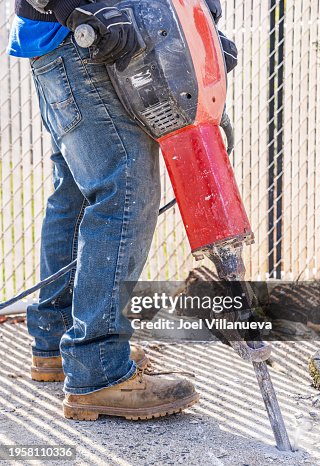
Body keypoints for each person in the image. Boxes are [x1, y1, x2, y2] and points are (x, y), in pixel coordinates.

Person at [6, 0, 237, 421]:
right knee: (124, 190)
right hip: (85, 37)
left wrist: (202, 30)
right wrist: (73, 8)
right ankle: (98, 368)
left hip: (71, 40)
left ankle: (61, 340)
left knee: (77, 194)